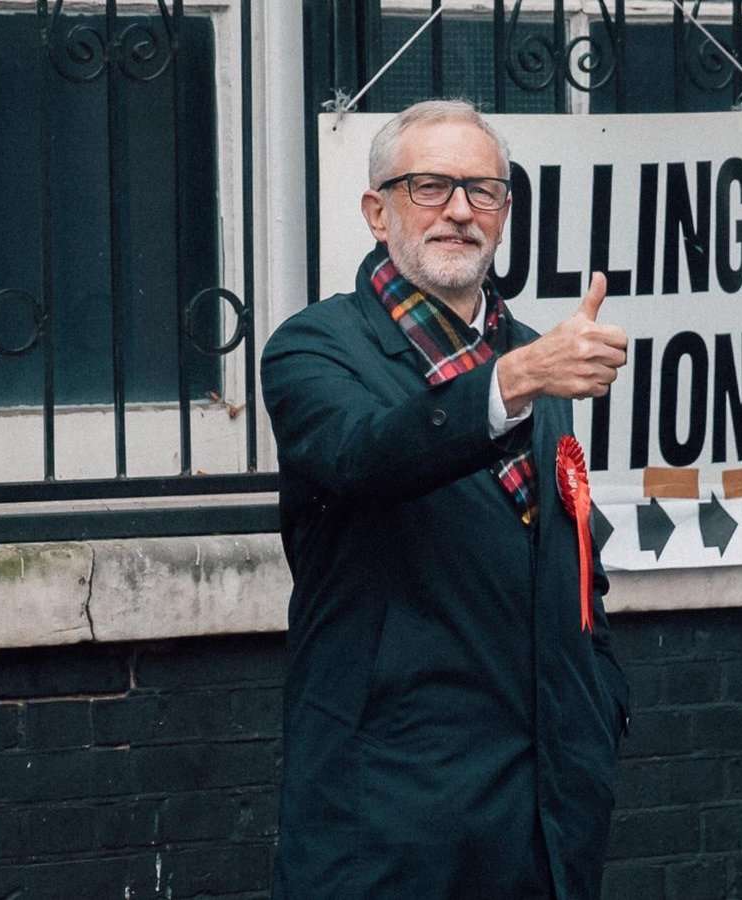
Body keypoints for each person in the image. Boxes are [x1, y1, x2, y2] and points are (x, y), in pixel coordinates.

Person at [261, 98, 631, 899]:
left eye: (483, 190)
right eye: (429, 186)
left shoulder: (531, 352)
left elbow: (567, 549)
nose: (460, 211)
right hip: (389, 820)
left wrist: (599, 701)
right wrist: (514, 382)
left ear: (504, 213)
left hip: (545, 818)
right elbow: (365, 454)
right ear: (377, 211)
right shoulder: (315, 348)